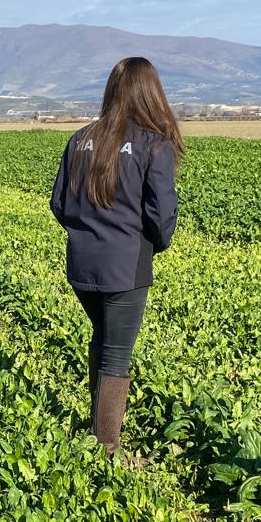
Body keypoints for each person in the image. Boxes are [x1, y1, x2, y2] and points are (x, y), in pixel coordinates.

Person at [50, 56, 182, 456]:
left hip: (81, 263)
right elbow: (162, 215)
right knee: (117, 354)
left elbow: (59, 203)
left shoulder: (80, 139)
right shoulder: (153, 145)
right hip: (126, 266)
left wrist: (86, 233)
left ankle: (96, 425)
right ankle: (106, 447)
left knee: (103, 338)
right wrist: (151, 244)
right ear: (151, 93)